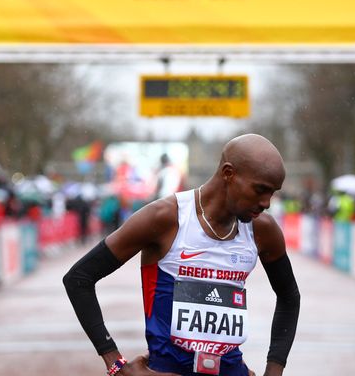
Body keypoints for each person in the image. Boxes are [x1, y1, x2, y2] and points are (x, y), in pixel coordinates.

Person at [63, 134, 301, 376]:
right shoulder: (165, 218)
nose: (266, 203)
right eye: (260, 190)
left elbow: (289, 297)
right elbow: (79, 278)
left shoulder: (263, 229)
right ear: (229, 173)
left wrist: (274, 370)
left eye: (272, 193)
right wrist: (116, 365)